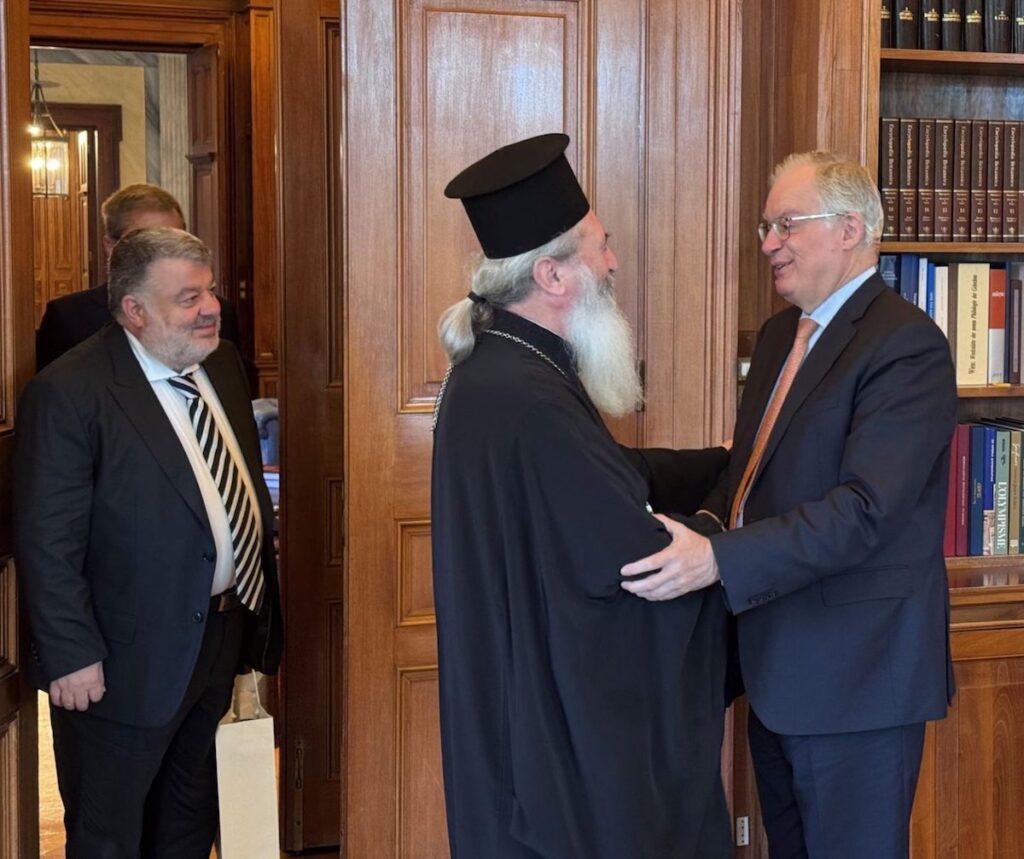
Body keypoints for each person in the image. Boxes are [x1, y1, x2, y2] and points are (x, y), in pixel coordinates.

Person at [621, 151, 957, 858]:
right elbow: (748, 474)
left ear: (850, 229)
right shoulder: (782, 336)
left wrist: (717, 560)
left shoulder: (906, 345)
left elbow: (865, 509)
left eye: (786, 224)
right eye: (765, 227)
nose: (769, 242)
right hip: (776, 672)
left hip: (858, 681)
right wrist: (702, 527)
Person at [432, 133, 732, 858]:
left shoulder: (502, 369)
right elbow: (635, 561)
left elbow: (607, 475)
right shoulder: (529, 399)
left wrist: (724, 462)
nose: (614, 263)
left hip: (512, 709)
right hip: (553, 746)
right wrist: (724, 530)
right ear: (552, 275)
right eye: (601, 246)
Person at [14, 227, 282, 857]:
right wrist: (71, 653)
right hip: (120, 659)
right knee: (110, 834)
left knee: (189, 822)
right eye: (189, 298)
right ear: (134, 310)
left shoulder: (222, 363)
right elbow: (48, 539)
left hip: (219, 636)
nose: (211, 308)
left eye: (209, 291)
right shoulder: (71, 391)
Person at [35, 182, 240, 371]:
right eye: (147, 243)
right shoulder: (69, 318)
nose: (164, 252)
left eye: (173, 239)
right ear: (111, 247)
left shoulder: (218, 313)